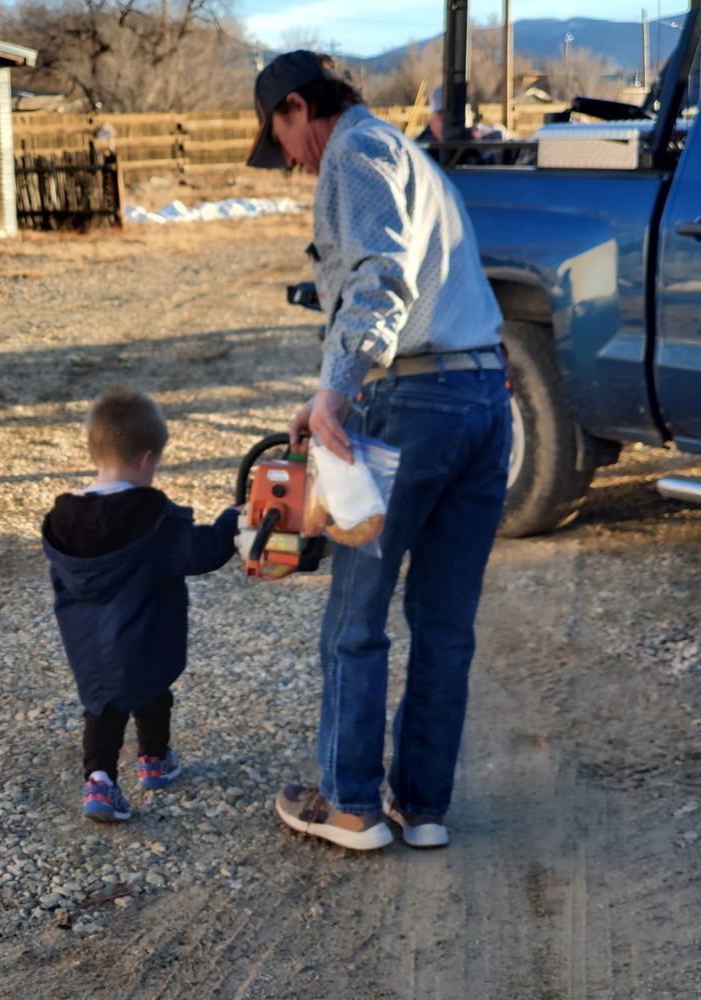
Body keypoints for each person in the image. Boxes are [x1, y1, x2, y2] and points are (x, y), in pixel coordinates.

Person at [246, 51, 510, 851]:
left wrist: (338, 389)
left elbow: (379, 277)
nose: (291, 160)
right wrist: (329, 388)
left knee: (356, 617)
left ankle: (352, 805)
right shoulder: (408, 153)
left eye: (281, 138)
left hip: (409, 410)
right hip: (482, 398)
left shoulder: (353, 150)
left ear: (298, 107)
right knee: (444, 622)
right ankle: (423, 809)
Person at [42, 388, 238, 823]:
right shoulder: (150, 518)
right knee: (152, 692)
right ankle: (154, 761)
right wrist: (231, 522)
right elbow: (199, 553)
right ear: (147, 460)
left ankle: (99, 782)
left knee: (102, 709)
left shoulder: (64, 523)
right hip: (145, 637)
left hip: (89, 646)